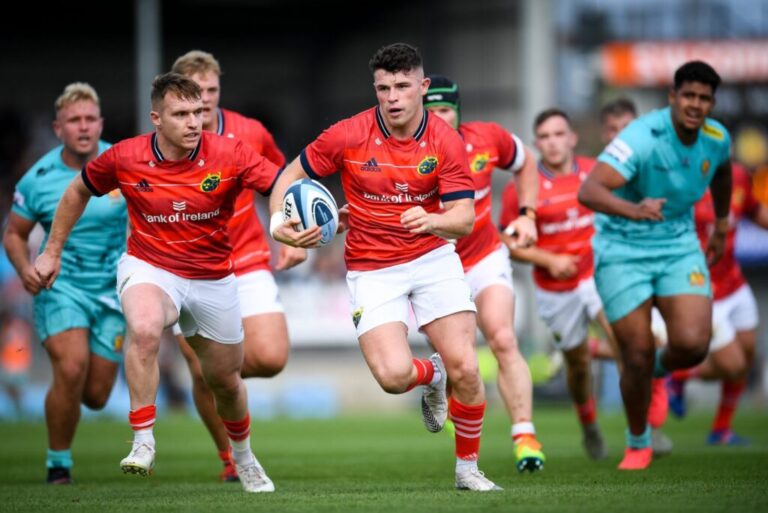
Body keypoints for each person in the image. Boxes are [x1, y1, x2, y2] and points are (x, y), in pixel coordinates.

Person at [34, 73, 282, 493]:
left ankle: (243, 456)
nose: (193, 123)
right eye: (181, 114)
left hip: (213, 277)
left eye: (198, 113)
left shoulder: (230, 151)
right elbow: (77, 191)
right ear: (156, 119)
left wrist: (283, 222)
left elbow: (277, 183)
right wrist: (52, 250)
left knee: (225, 381)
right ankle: (143, 441)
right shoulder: (125, 157)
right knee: (146, 328)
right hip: (150, 266)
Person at [269, 43, 501, 491]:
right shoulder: (348, 134)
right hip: (373, 267)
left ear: (422, 87)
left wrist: (432, 219)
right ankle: (432, 375)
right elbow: (288, 177)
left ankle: (468, 470)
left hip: (432, 257)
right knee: (394, 377)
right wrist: (280, 223)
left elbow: (464, 219)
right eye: (383, 88)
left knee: (469, 369)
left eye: (402, 86)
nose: (392, 96)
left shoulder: (445, 140)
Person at [578, 61, 732, 470]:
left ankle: (656, 371)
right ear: (673, 97)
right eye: (689, 96)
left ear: (711, 103)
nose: (696, 105)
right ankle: (639, 440)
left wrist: (721, 222)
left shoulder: (717, 138)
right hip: (622, 249)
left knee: (694, 344)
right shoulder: (642, 137)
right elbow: (589, 189)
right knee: (637, 351)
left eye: (704, 98)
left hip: (678, 244)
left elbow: (722, 171)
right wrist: (634, 209)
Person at [171, 50, 304, 482]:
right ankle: (230, 458)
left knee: (270, 357)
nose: (205, 100)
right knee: (199, 367)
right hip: (187, 267)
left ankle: (219, 367)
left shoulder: (250, 131)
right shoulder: (163, 142)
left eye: (212, 90)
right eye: (195, 91)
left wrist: (291, 229)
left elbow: (281, 178)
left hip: (245, 257)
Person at [2, 83, 127, 484]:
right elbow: (14, 235)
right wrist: (25, 270)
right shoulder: (38, 178)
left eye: (91, 119)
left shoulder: (122, 163)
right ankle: (59, 463)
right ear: (59, 129)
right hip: (61, 287)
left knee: (96, 394)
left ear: (101, 123)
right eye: (75, 120)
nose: (84, 127)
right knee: (70, 368)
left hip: (114, 291)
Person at [422, 75, 545, 472]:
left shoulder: (488, 137)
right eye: (431, 110)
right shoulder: (409, 150)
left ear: (458, 111)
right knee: (459, 362)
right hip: (438, 266)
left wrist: (527, 215)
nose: (438, 117)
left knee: (504, 338)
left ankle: (525, 435)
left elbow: (526, 164)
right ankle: (446, 389)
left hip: (486, 256)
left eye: (445, 110)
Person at [500, 108, 615, 461]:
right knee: (578, 364)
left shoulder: (596, 173)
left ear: (572, 138)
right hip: (555, 290)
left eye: (558, 134)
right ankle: (589, 425)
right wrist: (549, 260)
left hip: (598, 276)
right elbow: (507, 243)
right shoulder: (522, 188)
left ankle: (646, 433)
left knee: (629, 341)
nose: (552, 142)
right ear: (537, 144)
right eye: (545, 137)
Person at [665, 162, 768, 443]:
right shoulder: (678, 180)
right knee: (732, 366)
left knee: (745, 360)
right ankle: (679, 376)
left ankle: (721, 429)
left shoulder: (737, 175)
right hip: (701, 289)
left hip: (734, 282)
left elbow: (753, 210)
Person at [599, 98, 674, 456]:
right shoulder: (596, 177)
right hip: (610, 273)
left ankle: (649, 427)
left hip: (654, 270)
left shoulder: (658, 170)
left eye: (626, 129)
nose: (619, 137)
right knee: (633, 351)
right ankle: (645, 429)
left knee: (649, 347)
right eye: (613, 130)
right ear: (604, 134)